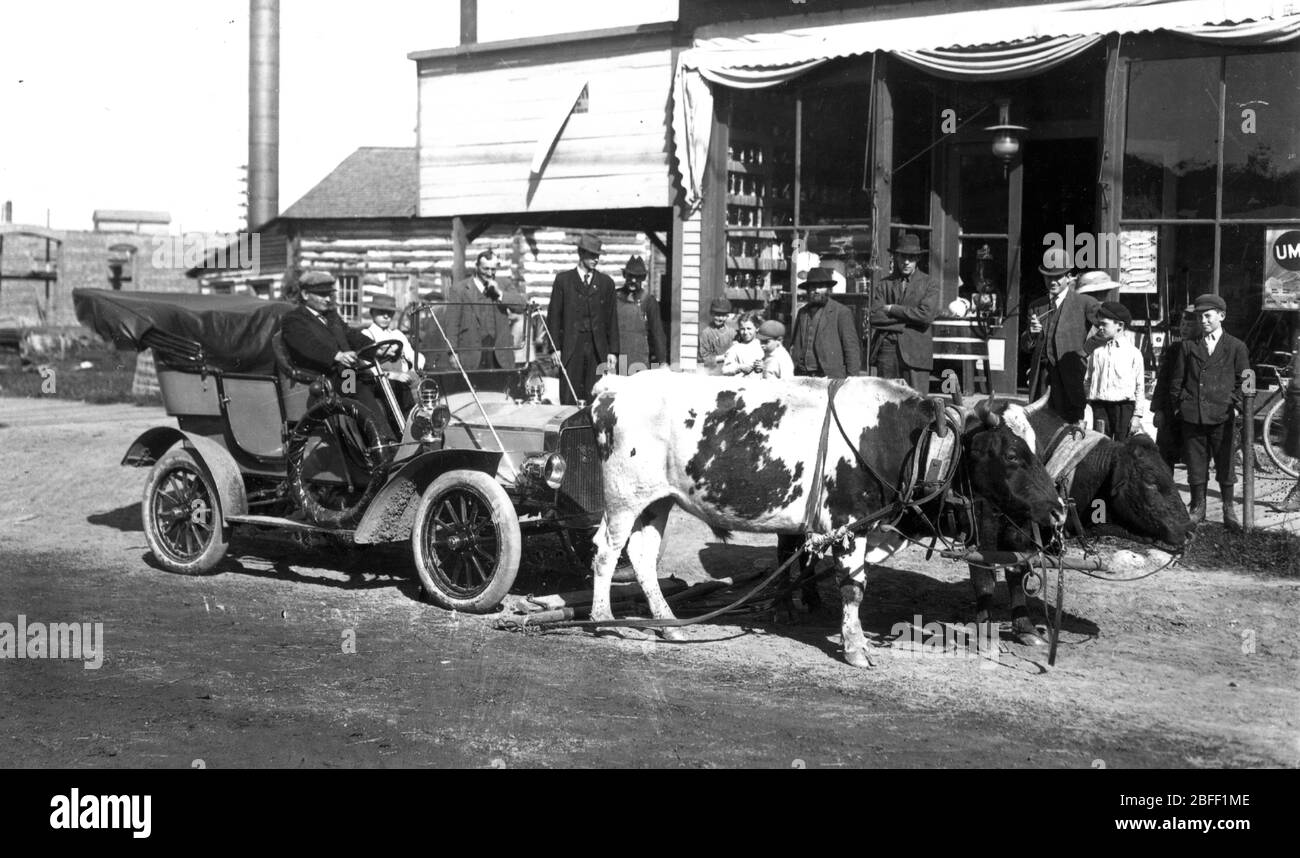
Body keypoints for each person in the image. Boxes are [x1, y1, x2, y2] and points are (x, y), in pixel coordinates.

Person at [279, 270, 396, 440]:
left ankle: (410, 438)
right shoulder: (294, 319)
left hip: (347, 373)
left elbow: (352, 335)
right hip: (325, 377)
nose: (328, 299)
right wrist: (337, 355)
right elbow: (308, 346)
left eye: (329, 294)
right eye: (322, 295)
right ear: (304, 294)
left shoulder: (331, 316)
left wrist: (376, 349)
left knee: (395, 384)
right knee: (357, 386)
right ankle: (384, 443)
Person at [1165, 293, 1249, 528]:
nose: (1203, 321)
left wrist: (1235, 406)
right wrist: (1180, 407)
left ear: (1221, 316)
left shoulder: (1236, 347)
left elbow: (1246, 381)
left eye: (1208, 316)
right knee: (1195, 463)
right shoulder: (1188, 346)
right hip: (1193, 416)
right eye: (1200, 316)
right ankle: (1198, 506)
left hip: (1223, 416)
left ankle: (1228, 508)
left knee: (1225, 463)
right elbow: (1176, 382)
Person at [1021, 250, 1102, 424]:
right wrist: (1032, 335)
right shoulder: (1037, 306)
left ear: (1068, 277)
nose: (1052, 281)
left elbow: (1108, 329)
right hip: (1041, 378)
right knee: (1040, 426)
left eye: (1058, 276)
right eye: (1048, 277)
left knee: (1069, 429)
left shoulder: (1085, 303)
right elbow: (1026, 346)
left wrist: (1085, 351)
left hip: (1070, 378)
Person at [545, 233, 619, 405]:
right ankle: (568, 431)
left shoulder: (606, 283)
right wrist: (554, 348)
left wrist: (612, 351)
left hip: (596, 348)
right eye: (592, 255)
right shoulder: (564, 281)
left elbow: (611, 318)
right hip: (571, 347)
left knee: (595, 395)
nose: (596, 259)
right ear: (581, 253)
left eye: (598, 255)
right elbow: (554, 316)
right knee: (569, 394)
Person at [868, 233, 940, 392]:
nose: (906, 262)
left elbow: (926, 316)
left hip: (916, 353)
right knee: (885, 402)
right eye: (902, 257)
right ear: (895, 257)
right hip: (887, 350)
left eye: (911, 257)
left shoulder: (929, 284)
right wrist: (909, 320)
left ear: (918, 259)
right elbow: (874, 316)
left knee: (916, 403)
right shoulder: (885, 284)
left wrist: (893, 309)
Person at [445, 250, 527, 371]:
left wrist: (499, 294)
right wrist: (452, 353)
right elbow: (452, 324)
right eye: (485, 269)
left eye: (493, 269)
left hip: (500, 355)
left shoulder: (504, 284)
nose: (489, 273)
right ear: (476, 266)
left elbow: (521, 306)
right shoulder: (459, 290)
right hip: (471, 354)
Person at [1084, 301, 1148, 441]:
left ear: (1120, 325)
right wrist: (1090, 401)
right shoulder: (1096, 351)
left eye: (1104, 324)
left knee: (1122, 447)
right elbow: (1088, 379)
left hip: (1123, 408)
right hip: (1100, 407)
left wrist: (1137, 415)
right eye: (1098, 324)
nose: (1100, 328)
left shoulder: (1133, 353)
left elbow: (1139, 387)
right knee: (1101, 445)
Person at [788, 267, 862, 380]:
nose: (816, 290)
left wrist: (852, 381)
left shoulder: (841, 312)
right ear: (807, 289)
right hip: (802, 376)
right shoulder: (802, 313)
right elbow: (796, 345)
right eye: (813, 287)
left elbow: (851, 350)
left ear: (828, 289)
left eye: (821, 287)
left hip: (829, 377)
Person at [1151, 305, 1198, 470]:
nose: (1184, 329)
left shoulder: (1204, 351)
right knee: (1164, 457)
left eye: (1190, 325)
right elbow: (1163, 382)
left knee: (1194, 460)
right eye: (1183, 324)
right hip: (1170, 411)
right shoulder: (1174, 350)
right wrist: (1158, 409)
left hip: (1192, 414)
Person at [613, 255, 668, 374]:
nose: (633, 280)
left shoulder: (648, 301)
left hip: (639, 358)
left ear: (643, 278)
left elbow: (657, 332)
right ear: (624, 275)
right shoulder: (614, 297)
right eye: (630, 276)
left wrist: (661, 361)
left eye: (637, 277)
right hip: (616, 358)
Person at [721, 311, 765, 377]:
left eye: (749, 328)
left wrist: (764, 367)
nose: (745, 332)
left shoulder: (762, 347)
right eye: (742, 329)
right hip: (740, 384)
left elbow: (772, 366)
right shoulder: (736, 348)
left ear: (757, 328)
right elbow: (724, 370)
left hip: (759, 384)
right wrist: (739, 367)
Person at [698, 296, 736, 371]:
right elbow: (703, 358)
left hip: (731, 368)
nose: (720, 318)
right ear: (711, 314)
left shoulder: (732, 332)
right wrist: (721, 357)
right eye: (717, 315)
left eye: (723, 315)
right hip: (713, 370)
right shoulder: (706, 333)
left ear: (727, 316)